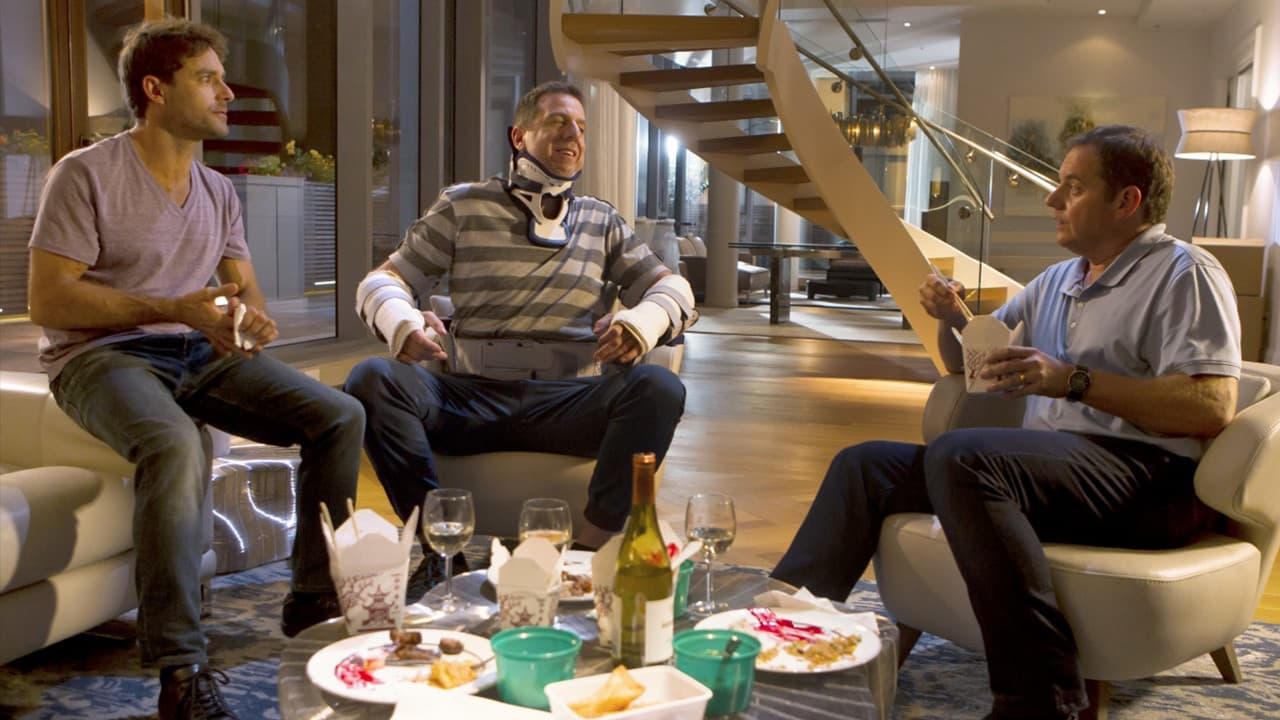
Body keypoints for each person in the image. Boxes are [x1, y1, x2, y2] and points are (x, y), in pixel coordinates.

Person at [771, 125, 1241, 720]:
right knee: (864, 465)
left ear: (1127, 201)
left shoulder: (1184, 273)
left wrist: (1071, 380)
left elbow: (1211, 405)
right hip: (1050, 467)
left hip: (1149, 479)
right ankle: (778, 635)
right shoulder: (1058, 280)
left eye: (1073, 187)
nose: (1052, 199)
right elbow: (972, 365)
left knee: (963, 456)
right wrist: (951, 317)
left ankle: (1040, 699)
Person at [26, 19, 364, 720]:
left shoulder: (217, 191)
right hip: (99, 357)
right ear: (155, 90)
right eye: (207, 78)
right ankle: (180, 671)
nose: (228, 93)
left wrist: (250, 322)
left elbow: (246, 297)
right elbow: (48, 300)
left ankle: (312, 600)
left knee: (339, 415)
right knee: (176, 443)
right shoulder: (84, 174)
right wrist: (172, 308)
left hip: (198, 352)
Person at [344, 80, 695, 599]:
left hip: (570, 401)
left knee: (660, 388)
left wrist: (640, 325)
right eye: (558, 121)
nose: (573, 135)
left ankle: (583, 554)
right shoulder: (462, 206)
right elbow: (382, 281)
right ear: (519, 136)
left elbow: (674, 289)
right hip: (472, 395)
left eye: (581, 127)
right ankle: (442, 551)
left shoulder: (601, 220)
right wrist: (402, 323)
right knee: (372, 378)